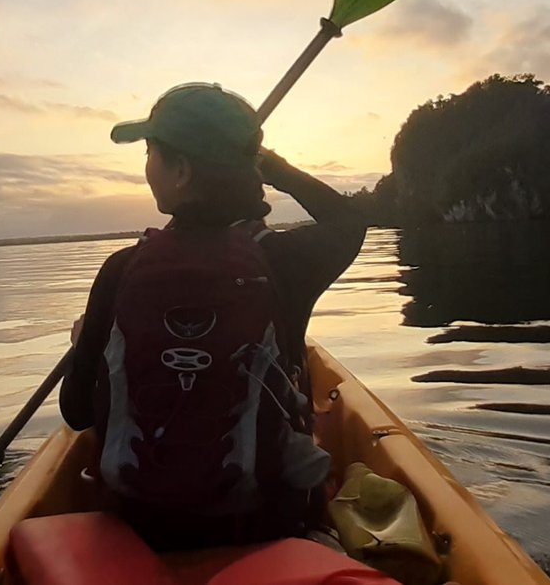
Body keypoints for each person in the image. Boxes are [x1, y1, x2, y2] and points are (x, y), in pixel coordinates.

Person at [60, 82, 367, 551]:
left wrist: (84, 347)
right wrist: (275, 168)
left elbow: (77, 411)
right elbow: (347, 220)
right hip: (263, 530)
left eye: (150, 151)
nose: (147, 167)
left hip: (140, 533)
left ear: (180, 170)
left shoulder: (122, 270)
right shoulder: (287, 261)